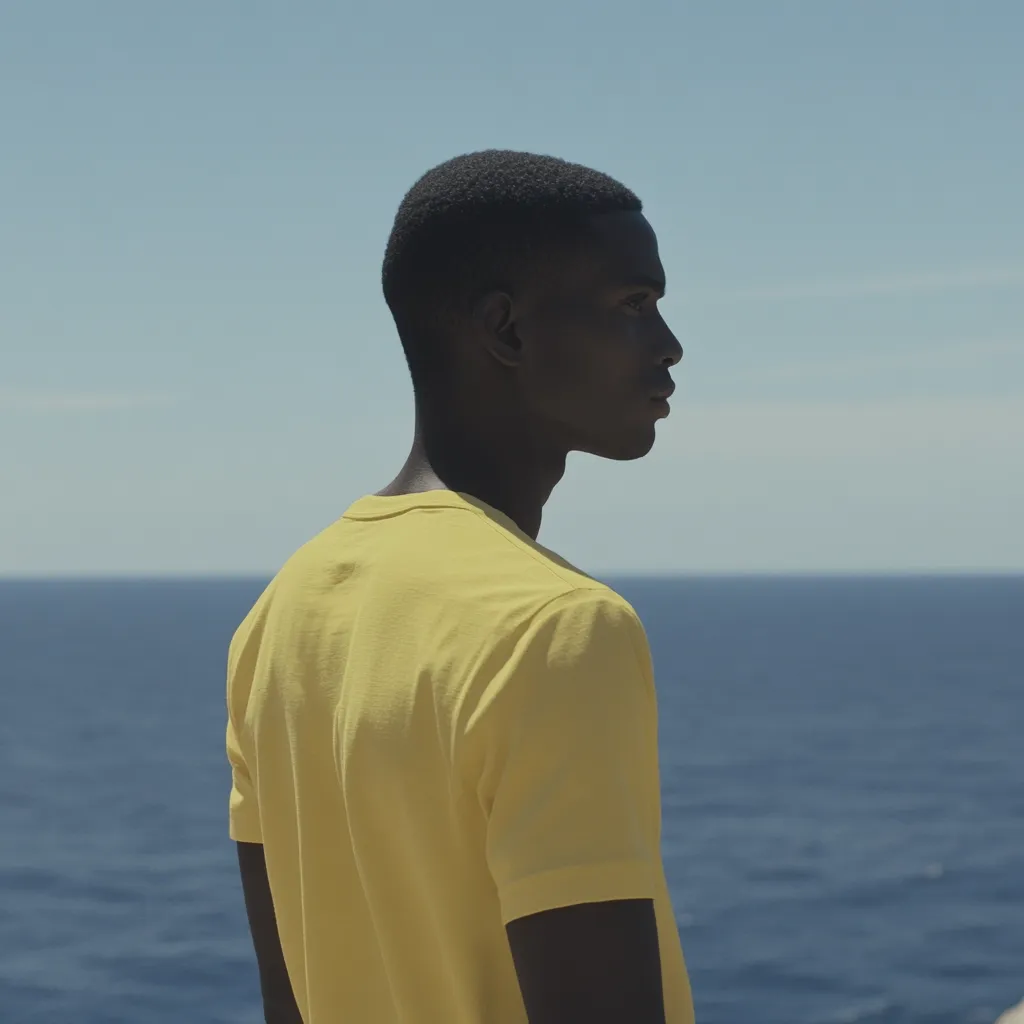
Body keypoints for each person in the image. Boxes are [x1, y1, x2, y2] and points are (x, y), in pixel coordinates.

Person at [226, 149, 693, 1024]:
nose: (670, 346)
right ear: (507, 332)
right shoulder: (556, 628)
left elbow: (288, 1002)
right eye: (634, 305)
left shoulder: (281, 614)